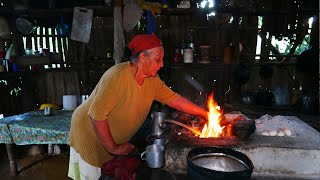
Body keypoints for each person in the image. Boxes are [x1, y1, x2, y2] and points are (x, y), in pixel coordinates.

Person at [68, 33, 208, 179]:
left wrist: (204, 113)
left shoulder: (152, 80)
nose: (162, 64)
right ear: (142, 58)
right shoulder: (117, 77)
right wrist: (114, 148)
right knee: (93, 175)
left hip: (110, 139)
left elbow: (175, 100)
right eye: (158, 60)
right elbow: (96, 115)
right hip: (89, 134)